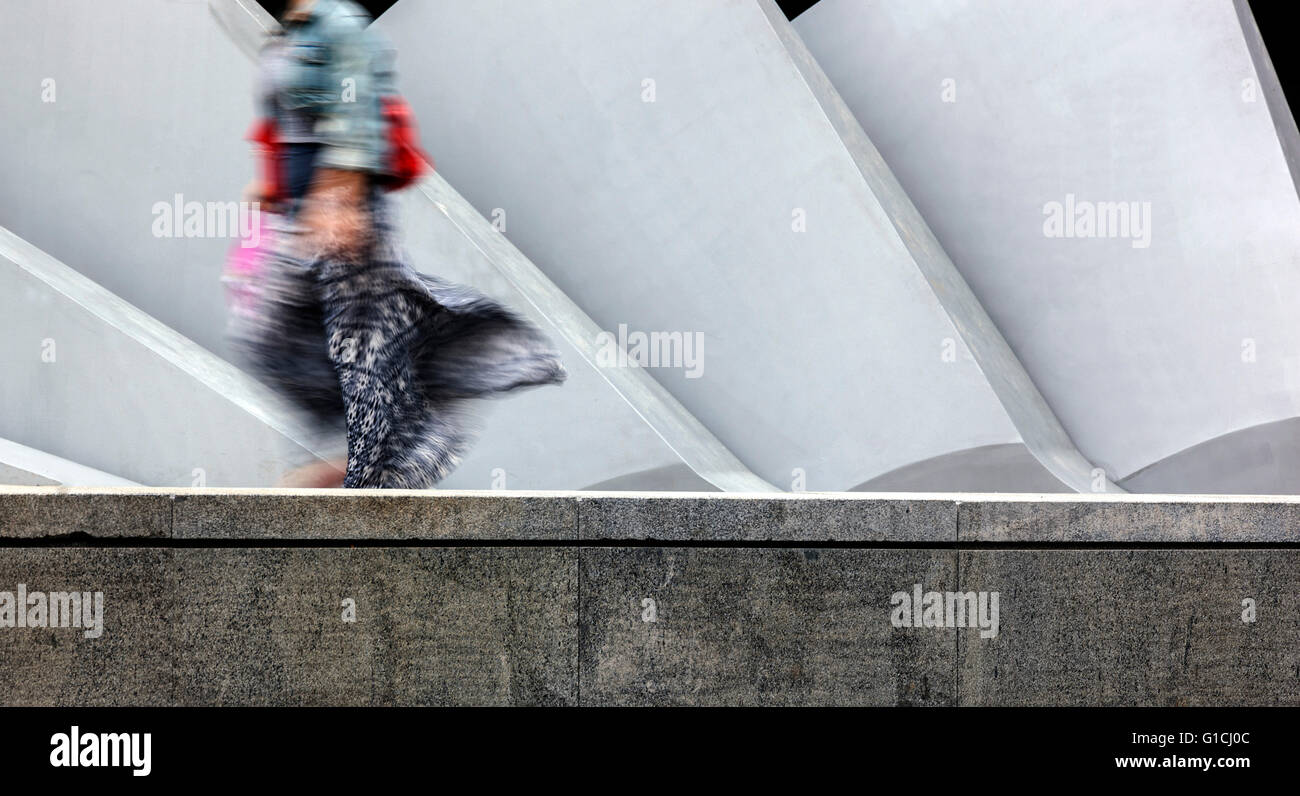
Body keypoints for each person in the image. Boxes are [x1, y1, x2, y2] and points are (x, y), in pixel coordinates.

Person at [233, 0, 565, 488]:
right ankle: (373, 456)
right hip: (303, 217)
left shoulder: (338, 22)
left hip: (345, 213)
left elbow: (357, 107)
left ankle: (375, 474)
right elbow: (285, 126)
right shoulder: (289, 34)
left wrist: (340, 194)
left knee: (362, 350)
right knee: (275, 339)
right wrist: (272, 187)